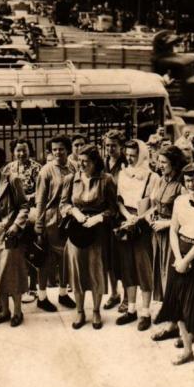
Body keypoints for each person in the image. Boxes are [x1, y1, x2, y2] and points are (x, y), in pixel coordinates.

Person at [154, 163, 194, 373]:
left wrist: (186, 260)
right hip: (178, 252)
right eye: (188, 180)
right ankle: (188, 350)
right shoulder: (180, 201)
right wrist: (178, 258)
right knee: (177, 303)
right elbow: (173, 229)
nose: (191, 184)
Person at [60, 144, 118, 330]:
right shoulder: (71, 179)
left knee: (96, 271)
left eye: (86, 162)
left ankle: (95, 310)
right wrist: (74, 211)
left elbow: (113, 208)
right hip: (76, 231)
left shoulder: (106, 180)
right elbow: (63, 204)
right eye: (79, 161)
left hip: (97, 232)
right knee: (77, 272)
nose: (82, 165)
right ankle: (79, 310)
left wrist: (100, 217)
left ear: (95, 162)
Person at [0, 146, 30, 327]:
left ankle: (17, 311)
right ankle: (3, 310)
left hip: (9, 230)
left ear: (0, 162)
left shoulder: (11, 179)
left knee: (12, 271)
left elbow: (24, 206)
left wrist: (16, 225)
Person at [114, 140, 159, 329]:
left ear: (142, 156)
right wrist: (127, 217)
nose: (130, 158)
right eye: (128, 154)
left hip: (143, 225)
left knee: (143, 267)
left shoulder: (152, 177)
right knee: (128, 266)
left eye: (134, 155)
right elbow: (119, 200)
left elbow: (156, 205)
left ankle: (145, 312)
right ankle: (131, 309)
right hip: (126, 222)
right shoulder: (123, 175)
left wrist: (139, 218)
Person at [147, 146, 187, 344]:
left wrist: (166, 223)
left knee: (173, 280)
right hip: (159, 236)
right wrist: (153, 214)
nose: (159, 165)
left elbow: (189, 216)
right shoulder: (162, 179)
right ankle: (171, 320)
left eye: (163, 162)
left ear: (174, 163)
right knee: (163, 278)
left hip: (174, 237)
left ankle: (181, 328)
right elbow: (156, 203)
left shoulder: (182, 185)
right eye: (159, 162)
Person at [34, 135, 77, 312]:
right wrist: (39, 223)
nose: (58, 152)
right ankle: (42, 297)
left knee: (65, 259)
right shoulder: (46, 171)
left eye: (61, 149)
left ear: (68, 150)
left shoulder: (74, 168)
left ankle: (63, 293)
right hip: (51, 219)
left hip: (69, 219)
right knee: (46, 260)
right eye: (54, 150)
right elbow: (41, 200)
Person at [2, 137, 42, 304]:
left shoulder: (36, 168)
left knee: (30, 248)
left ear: (29, 150)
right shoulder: (8, 169)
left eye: (24, 150)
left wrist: (24, 198)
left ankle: (33, 286)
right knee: (14, 250)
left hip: (30, 210)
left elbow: (40, 191)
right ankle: (18, 287)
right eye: (18, 150)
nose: (21, 153)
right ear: (13, 152)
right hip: (13, 212)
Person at [101, 129, 128, 312]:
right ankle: (114, 293)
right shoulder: (102, 164)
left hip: (121, 216)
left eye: (114, 145)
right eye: (108, 145)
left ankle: (127, 296)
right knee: (108, 258)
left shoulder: (126, 165)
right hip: (106, 217)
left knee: (122, 258)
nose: (110, 149)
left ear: (121, 147)